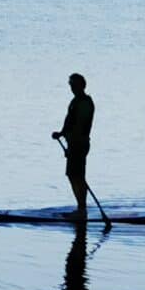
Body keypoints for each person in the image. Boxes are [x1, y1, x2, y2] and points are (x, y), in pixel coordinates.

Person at [51, 72, 95, 217]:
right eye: (70, 85)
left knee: (77, 176)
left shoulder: (85, 103)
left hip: (79, 145)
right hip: (73, 144)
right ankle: (80, 208)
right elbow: (69, 121)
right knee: (72, 175)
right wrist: (61, 133)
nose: (71, 87)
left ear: (81, 85)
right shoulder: (74, 101)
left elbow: (80, 126)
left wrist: (73, 146)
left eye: (74, 85)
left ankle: (82, 210)